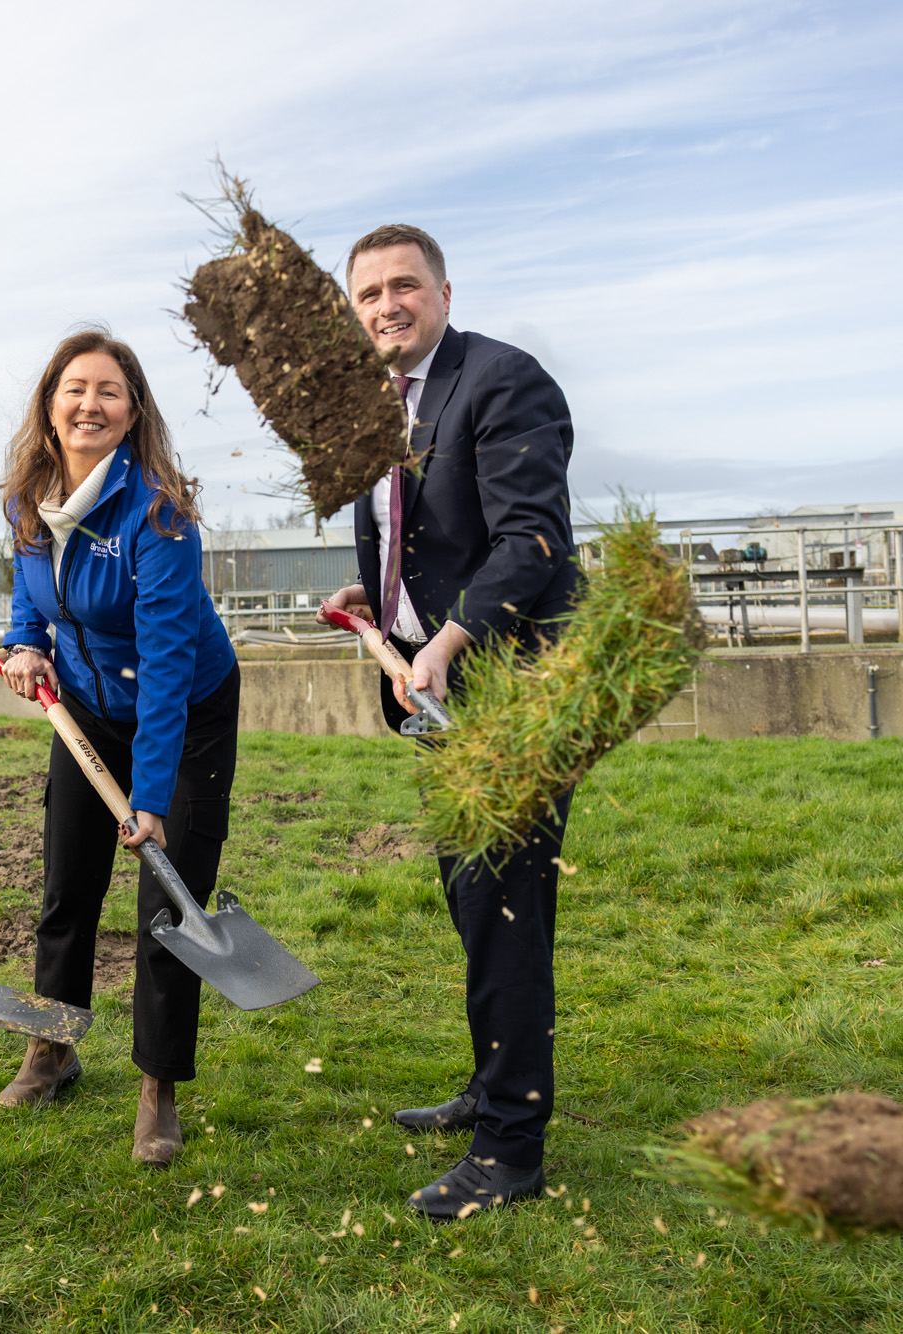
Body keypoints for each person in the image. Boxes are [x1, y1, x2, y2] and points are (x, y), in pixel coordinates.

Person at [318, 223, 577, 1218]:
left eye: (401, 287)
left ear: (441, 289)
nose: (384, 306)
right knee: (472, 897)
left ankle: (510, 1148)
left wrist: (449, 638)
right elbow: (417, 539)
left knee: (505, 907)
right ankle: (491, 1083)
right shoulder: (376, 408)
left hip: (510, 688)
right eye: (366, 295)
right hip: (438, 695)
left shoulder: (501, 382)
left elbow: (530, 541)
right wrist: (374, 602)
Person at [0, 328, 239, 1168]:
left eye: (108, 392)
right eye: (74, 389)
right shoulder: (27, 499)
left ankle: (157, 1084)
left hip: (186, 709)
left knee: (168, 901)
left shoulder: (158, 516)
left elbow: (168, 664)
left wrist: (154, 798)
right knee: (69, 884)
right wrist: (25, 644)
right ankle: (54, 1045)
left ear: (132, 415)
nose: (89, 404)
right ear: (51, 406)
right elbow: (33, 595)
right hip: (87, 707)